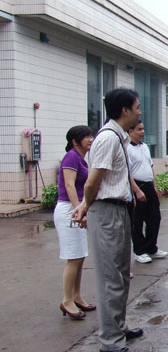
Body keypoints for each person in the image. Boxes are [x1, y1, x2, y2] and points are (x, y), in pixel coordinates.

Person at [73, 88, 144, 352]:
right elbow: (92, 182)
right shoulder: (107, 138)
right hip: (106, 212)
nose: (139, 112)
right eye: (137, 107)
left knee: (122, 276)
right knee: (110, 279)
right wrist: (85, 206)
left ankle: (119, 327)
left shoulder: (119, 137)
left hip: (119, 210)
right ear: (125, 110)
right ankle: (110, 341)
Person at [54, 125, 95, 320]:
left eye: (91, 136)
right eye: (86, 136)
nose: (90, 139)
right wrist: (79, 210)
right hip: (69, 210)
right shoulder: (71, 157)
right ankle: (67, 300)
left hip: (76, 209)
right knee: (73, 257)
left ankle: (77, 296)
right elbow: (69, 185)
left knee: (80, 256)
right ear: (75, 141)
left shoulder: (80, 159)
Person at [128, 120, 168, 264]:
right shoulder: (127, 148)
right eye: (139, 129)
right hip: (136, 186)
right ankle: (139, 251)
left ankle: (151, 248)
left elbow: (150, 167)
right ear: (130, 131)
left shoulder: (145, 147)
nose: (143, 132)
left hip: (149, 186)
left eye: (143, 129)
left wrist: (154, 186)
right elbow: (127, 172)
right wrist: (137, 191)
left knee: (155, 218)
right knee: (137, 221)